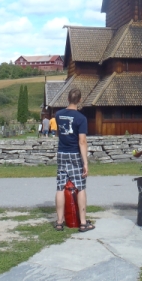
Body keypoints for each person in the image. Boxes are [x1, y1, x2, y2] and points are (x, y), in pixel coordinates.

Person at [54, 88, 94, 232]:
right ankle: (83, 223)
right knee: (80, 186)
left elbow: (60, 133)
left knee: (60, 186)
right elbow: (82, 141)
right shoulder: (81, 118)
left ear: (68, 99)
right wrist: (85, 162)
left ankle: (59, 222)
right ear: (80, 100)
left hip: (62, 152)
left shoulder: (58, 115)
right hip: (74, 153)